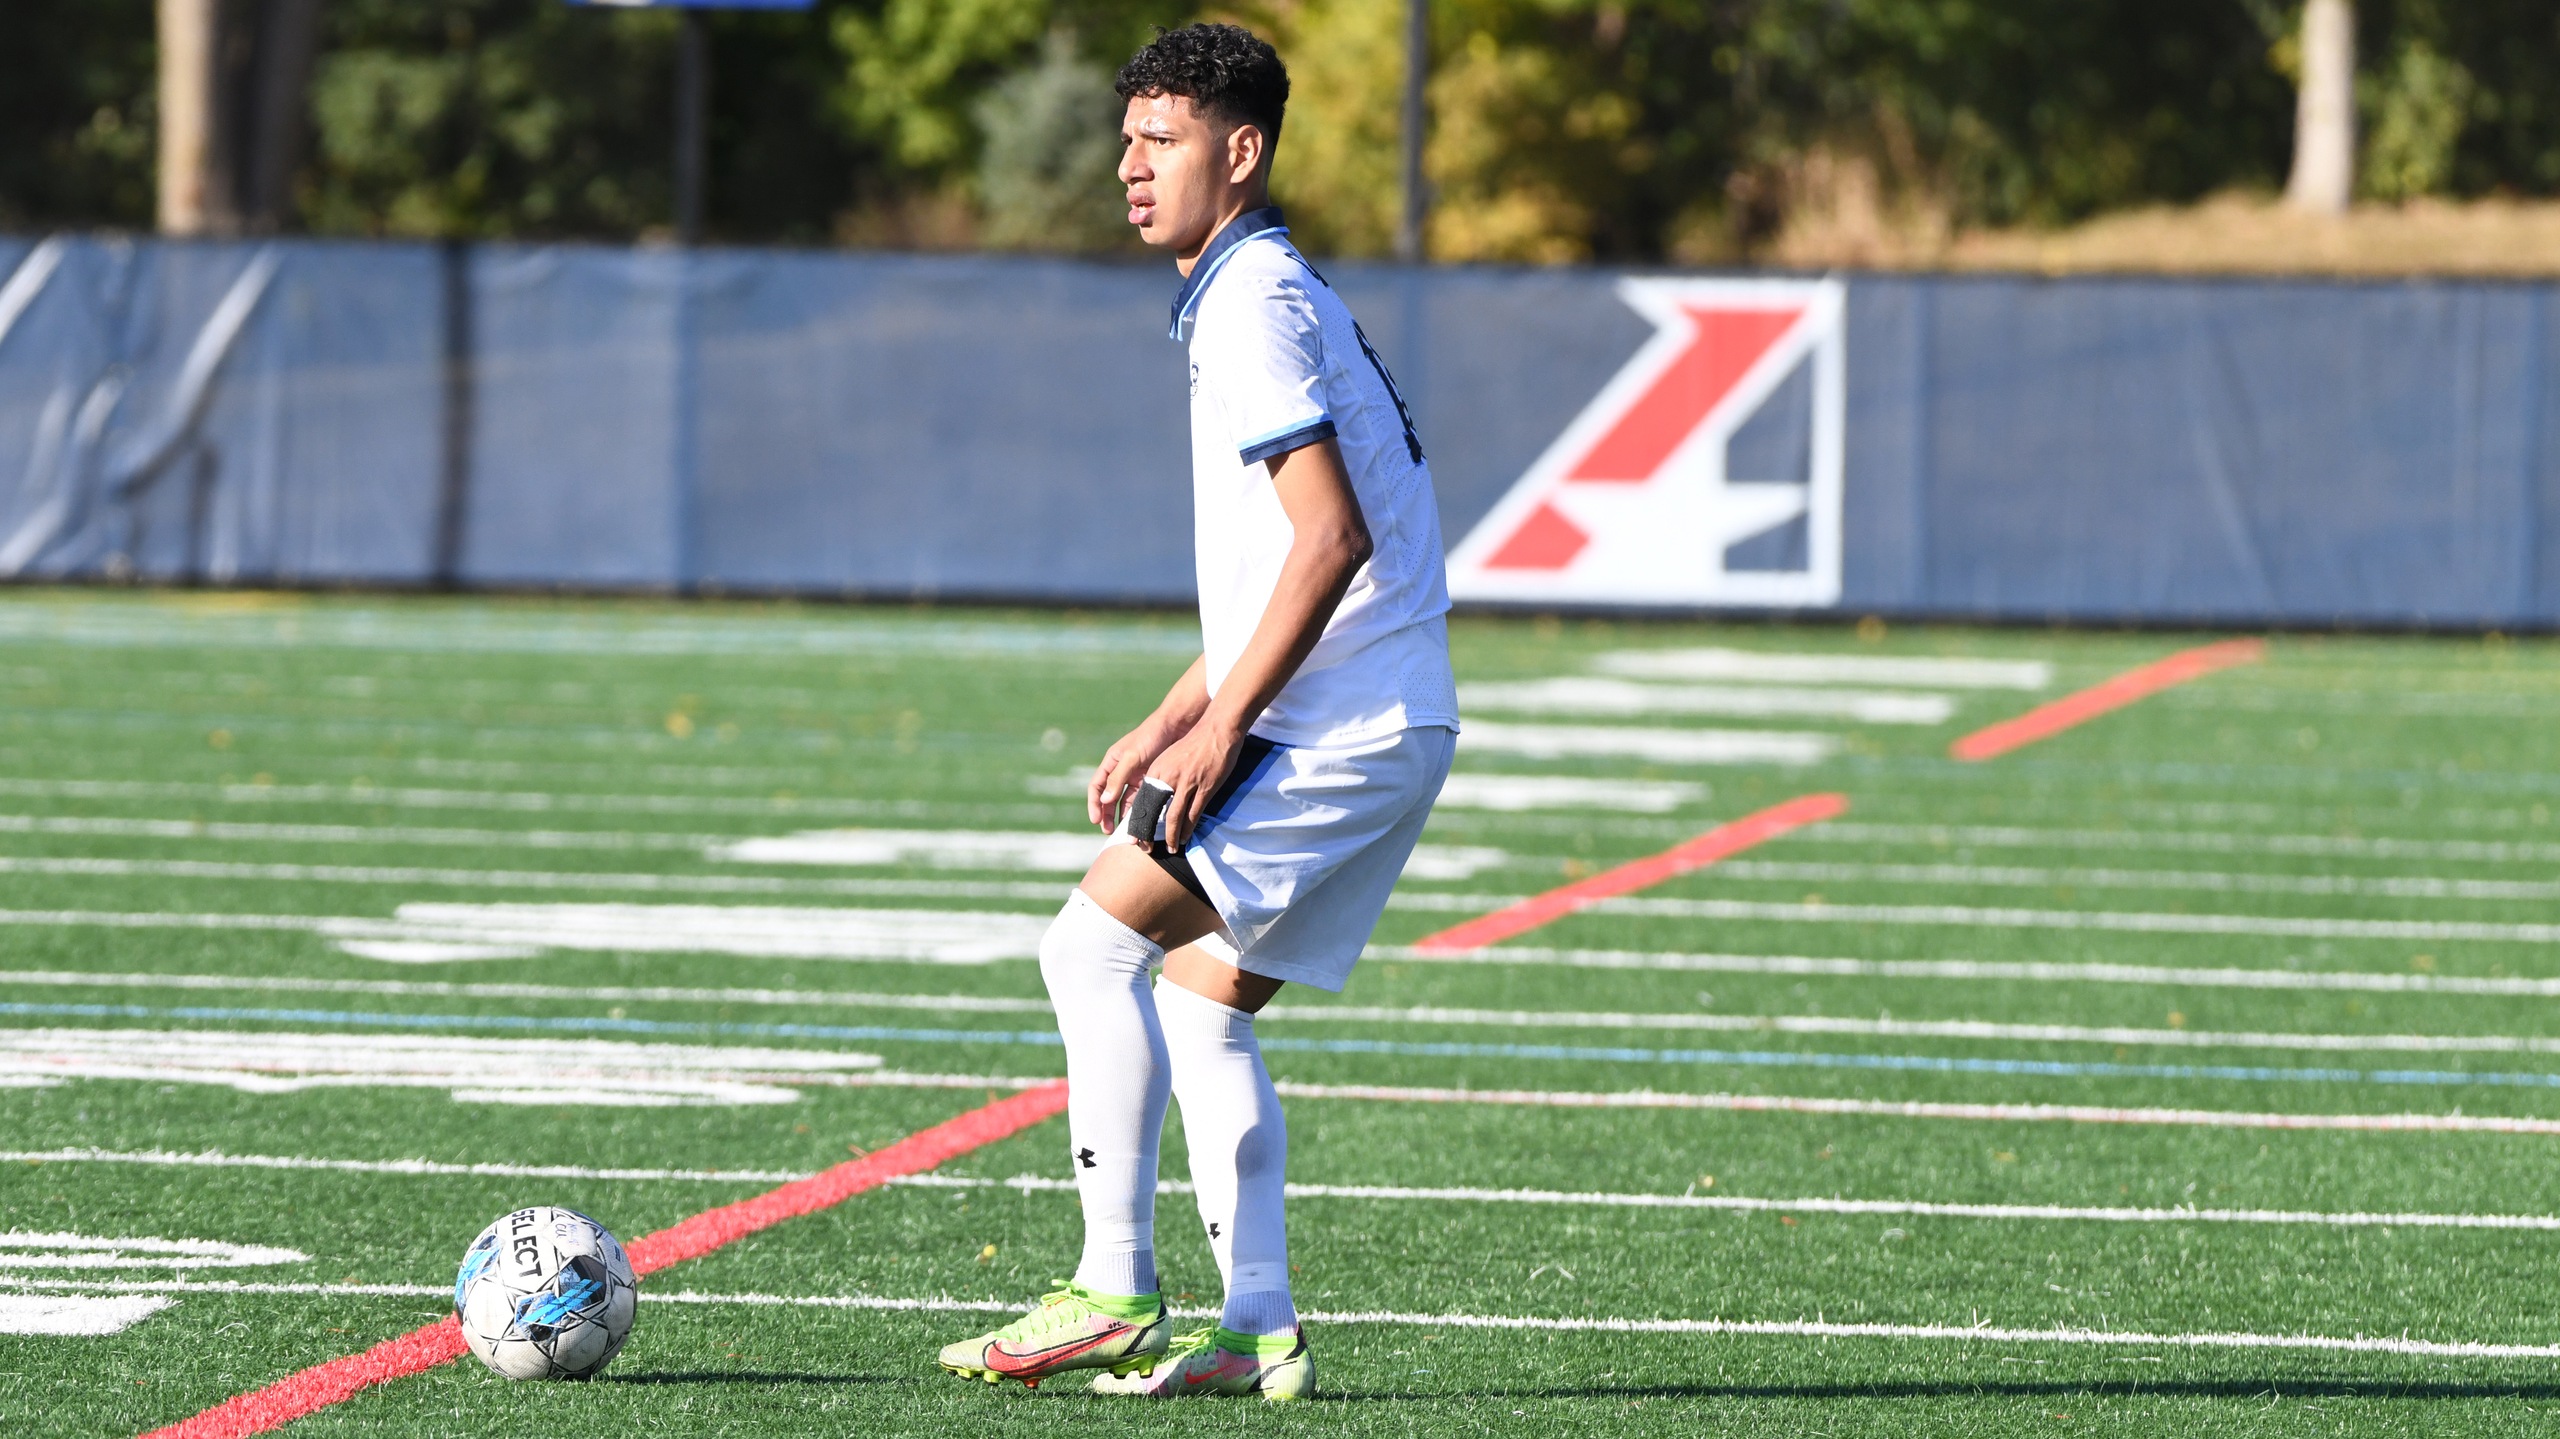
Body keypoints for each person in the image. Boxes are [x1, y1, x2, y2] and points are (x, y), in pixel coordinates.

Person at [934, 20, 1459, 1404]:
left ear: (1241, 152)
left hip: (1334, 727)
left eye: (1158, 140)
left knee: (1086, 951)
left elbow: (1328, 539)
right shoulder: (1257, 291)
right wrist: (1177, 710)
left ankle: (1112, 1282)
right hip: (1383, 720)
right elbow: (1285, 564)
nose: (1128, 167)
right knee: (1203, 1001)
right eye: (1126, 140)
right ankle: (1256, 1329)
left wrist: (1225, 728)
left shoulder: (1251, 304)